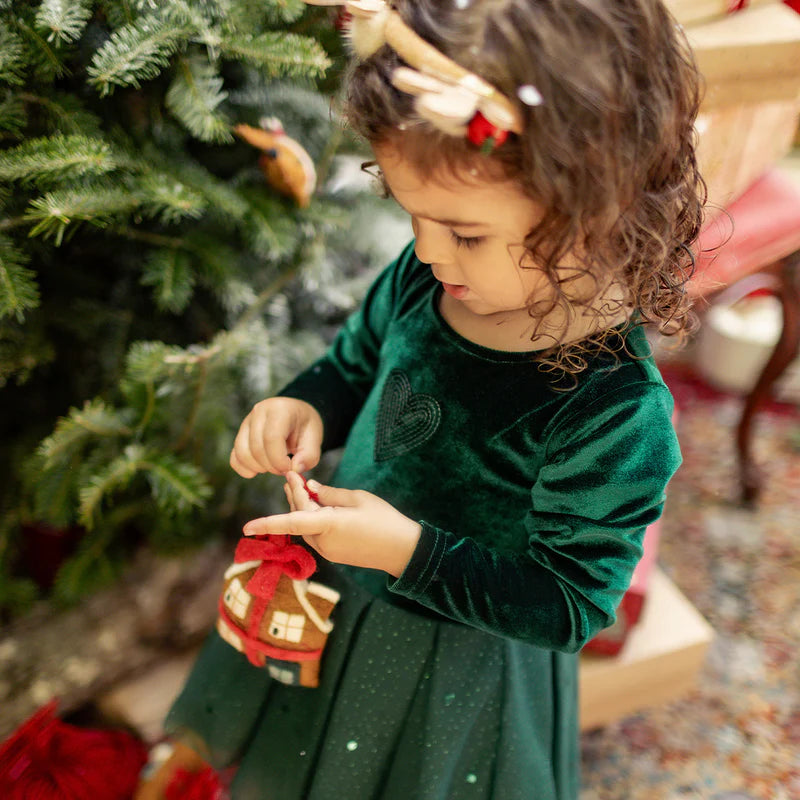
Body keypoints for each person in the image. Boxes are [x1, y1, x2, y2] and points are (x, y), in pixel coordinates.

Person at [145, 1, 705, 797]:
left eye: (465, 233)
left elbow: (570, 603)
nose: (427, 249)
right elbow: (355, 363)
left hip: (454, 671)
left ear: (596, 206)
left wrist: (410, 552)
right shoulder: (425, 277)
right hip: (339, 594)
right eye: (412, 216)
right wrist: (306, 405)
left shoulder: (613, 409)